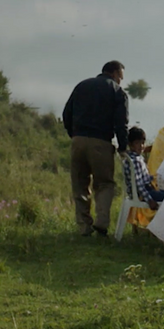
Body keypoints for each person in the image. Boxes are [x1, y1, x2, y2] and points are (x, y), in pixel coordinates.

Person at [62, 60, 130, 237]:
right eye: (120, 77)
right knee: (104, 183)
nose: (120, 81)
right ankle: (101, 223)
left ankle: (84, 226)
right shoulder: (117, 91)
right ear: (115, 73)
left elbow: (66, 114)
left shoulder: (81, 86)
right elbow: (121, 124)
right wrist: (123, 147)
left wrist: (74, 134)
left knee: (80, 184)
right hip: (101, 142)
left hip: (78, 141)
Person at [122, 126, 164, 214]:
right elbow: (139, 184)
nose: (141, 146)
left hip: (142, 191)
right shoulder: (135, 161)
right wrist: (149, 200)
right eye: (137, 143)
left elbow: (143, 179)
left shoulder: (134, 157)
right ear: (130, 144)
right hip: (141, 194)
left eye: (143, 143)